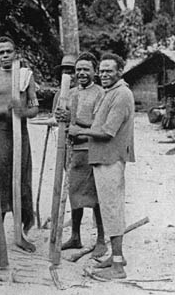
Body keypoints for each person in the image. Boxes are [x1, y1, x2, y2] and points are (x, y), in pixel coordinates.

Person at [72, 53, 135, 280]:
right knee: (110, 210)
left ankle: (117, 267)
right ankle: (116, 257)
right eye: (103, 70)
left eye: (110, 70)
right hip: (102, 158)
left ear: (120, 72)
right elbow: (98, 124)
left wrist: (79, 132)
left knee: (112, 209)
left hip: (110, 158)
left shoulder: (121, 95)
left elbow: (107, 132)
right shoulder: (111, 92)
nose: (104, 74)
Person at [0, 36, 39, 252]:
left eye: (9, 51)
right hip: (0, 136)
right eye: (1, 53)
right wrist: (6, 110)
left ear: (15, 52)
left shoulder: (26, 76)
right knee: (1, 182)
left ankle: (20, 233)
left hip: (20, 135)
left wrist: (22, 112)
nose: (5, 56)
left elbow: (34, 107)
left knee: (22, 181)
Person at [54, 52, 107, 258]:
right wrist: (61, 117)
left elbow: (99, 123)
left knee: (95, 196)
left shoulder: (100, 93)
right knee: (74, 192)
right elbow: (59, 118)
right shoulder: (68, 92)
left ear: (94, 71)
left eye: (86, 69)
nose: (82, 73)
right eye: (78, 70)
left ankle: (101, 239)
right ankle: (75, 236)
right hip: (71, 150)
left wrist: (73, 119)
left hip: (90, 148)